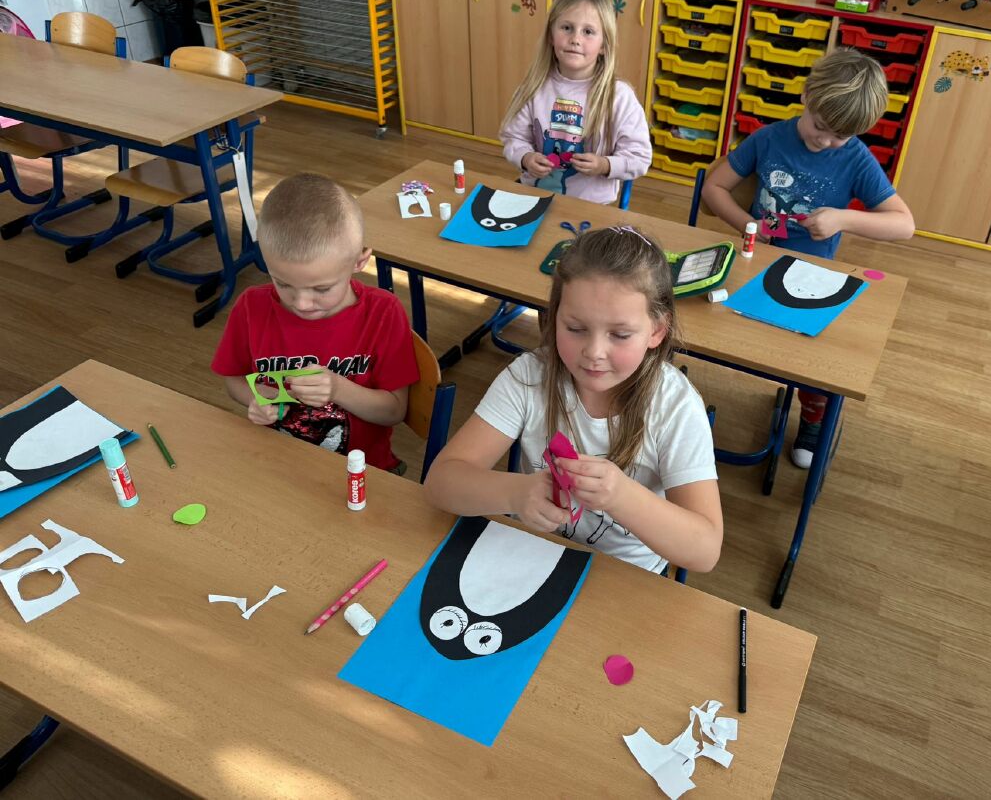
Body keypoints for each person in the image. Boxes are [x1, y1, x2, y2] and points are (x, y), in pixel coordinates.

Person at [423, 225, 722, 574]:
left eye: (620, 334)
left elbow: (704, 551)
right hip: (532, 556)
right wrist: (516, 492)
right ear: (553, 319)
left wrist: (621, 496)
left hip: (624, 575)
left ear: (657, 330)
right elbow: (440, 484)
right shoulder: (529, 377)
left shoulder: (674, 406)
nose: (594, 352)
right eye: (576, 329)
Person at [701, 48, 915, 468]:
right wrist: (749, 224)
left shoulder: (855, 158)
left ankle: (814, 419)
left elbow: (904, 224)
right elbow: (714, 189)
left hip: (809, 277)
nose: (826, 141)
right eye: (820, 126)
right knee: (707, 322)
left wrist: (842, 219)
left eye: (840, 136)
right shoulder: (769, 138)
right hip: (753, 261)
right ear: (806, 97)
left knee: (815, 357)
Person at [211, 173, 419, 474]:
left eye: (322, 289)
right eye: (283, 284)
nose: (302, 303)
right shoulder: (251, 307)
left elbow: (394, 411)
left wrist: (337, 389)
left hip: (362, 472)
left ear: (360, 262)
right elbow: (234, 380)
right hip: (277, 463)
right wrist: (259, 399)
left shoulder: (383, 312)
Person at [499, 0, 652, 204]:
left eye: (588, 32)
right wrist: (526, 157)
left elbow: (640, 157)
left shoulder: (619, 96)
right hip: (534, 196)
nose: (575, 39)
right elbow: (513, 138)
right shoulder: (533, 87)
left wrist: (604, 165)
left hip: (591, 205)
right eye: (567, 28)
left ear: (604, 45)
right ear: (551, 36)